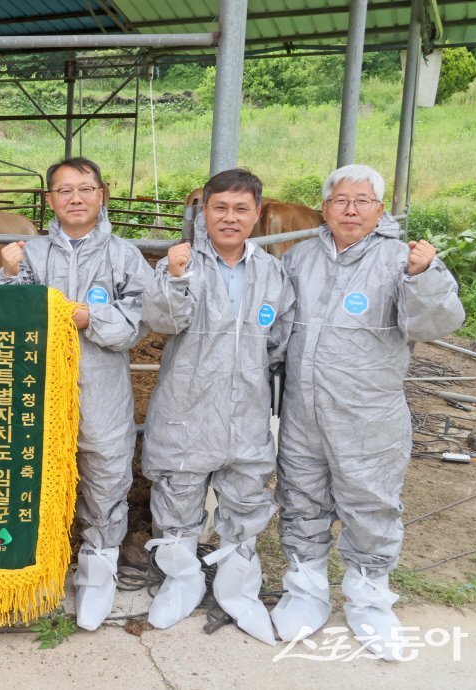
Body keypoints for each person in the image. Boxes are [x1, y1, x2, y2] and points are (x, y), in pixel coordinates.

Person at [272, 164, 464, 659]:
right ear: (324, 208)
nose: (351, 210)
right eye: (341, 200)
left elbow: (436, 325)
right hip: (302, 409)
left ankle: (369, 598)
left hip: (368, 413)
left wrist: (424, 277)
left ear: (380, 210)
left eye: (363, 201)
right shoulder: (300, 258)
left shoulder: (401, 260)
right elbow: (277, 328)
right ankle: (306, 589)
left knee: (371, 502)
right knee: (301, 496)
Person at [0, 157, 151, 631]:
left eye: (85, 188)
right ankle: (37, 571)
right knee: (34, 478)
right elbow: (0, 319)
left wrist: (90, 319)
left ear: (102, 194)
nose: (76, 198)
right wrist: (9, 274)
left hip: (103, 390)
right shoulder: (30, 254)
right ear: (50, 200)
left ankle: (97, 573)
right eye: (65, 190)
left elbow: (140, 322)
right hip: (35, 389)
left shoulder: (124, 256)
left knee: (106, 477)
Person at [141, 169, 294, 644]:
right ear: (203, 211)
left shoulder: (271, 272)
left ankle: (237, 590)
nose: (230, 218)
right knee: (178, 492)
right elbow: (160, 321)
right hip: (185, 406)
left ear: (257, 213)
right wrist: (175, 278)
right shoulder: (181, 262)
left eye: (240, 209)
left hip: (246, 408)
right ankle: (181, 582)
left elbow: (280, 339)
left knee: (246, 496)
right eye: (220, 208)